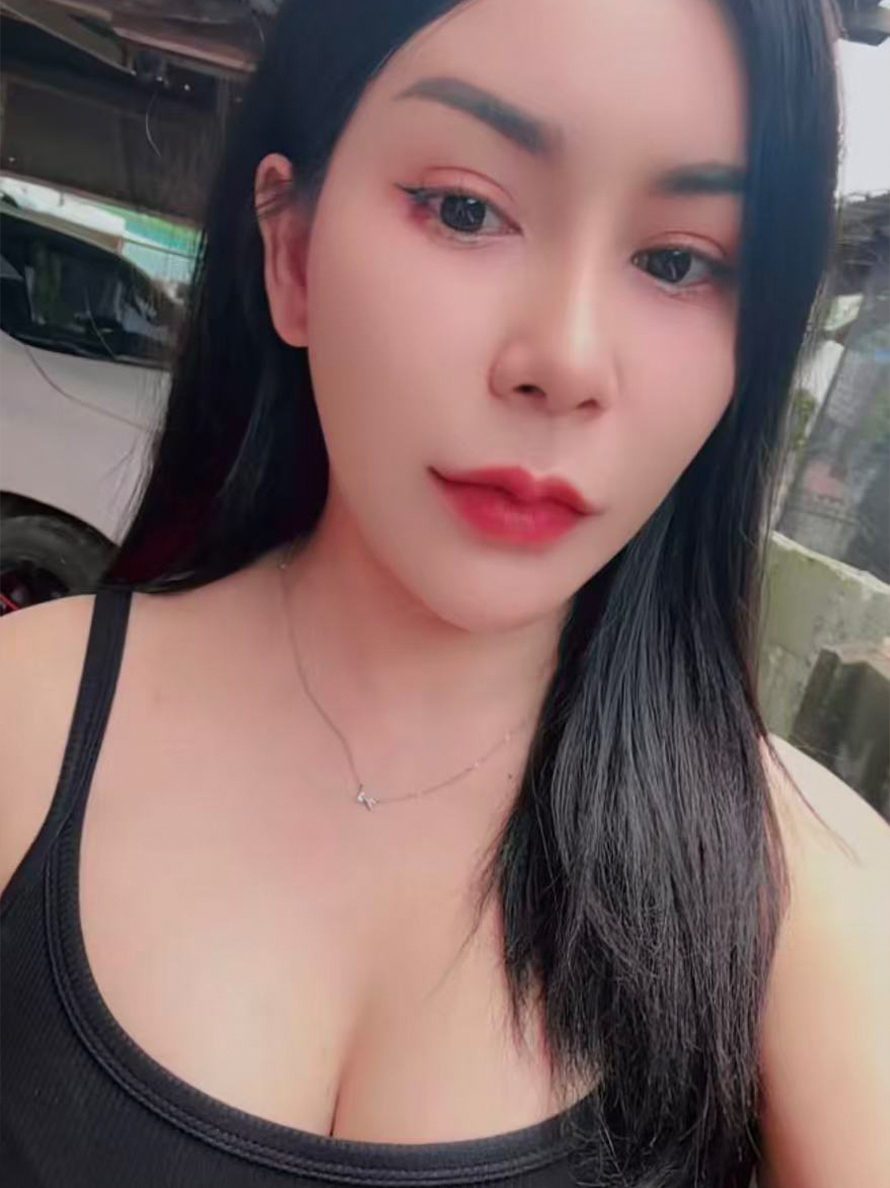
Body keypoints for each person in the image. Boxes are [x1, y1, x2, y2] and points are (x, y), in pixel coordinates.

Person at [2, 1, 888, 1185]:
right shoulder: (22, 721)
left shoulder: (813, 903)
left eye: (677, 262)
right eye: (465, 208)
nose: (562, 360)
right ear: (292, 253)